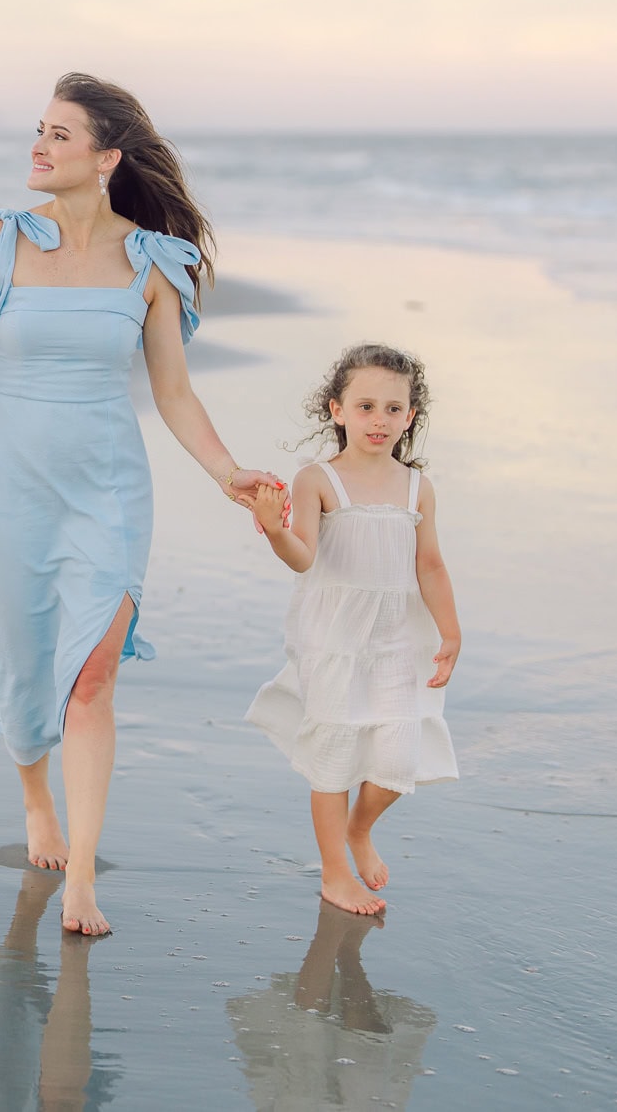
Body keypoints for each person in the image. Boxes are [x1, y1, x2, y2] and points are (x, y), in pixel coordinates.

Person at [0, 73, 278, 936]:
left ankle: (81, 874)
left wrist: (227, 472)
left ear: (107, 157)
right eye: (39, 130)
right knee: (23, 660)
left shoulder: (152, 262)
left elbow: (174, 393)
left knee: (92, 675)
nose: (38, 146)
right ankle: (34, 795)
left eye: (59, 134)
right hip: (6, 481)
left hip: (106, 488)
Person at [242, 343, 461, 915]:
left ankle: (359, 830)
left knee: (398, 760)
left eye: (393, 409)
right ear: (337, 410)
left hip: (395, 642)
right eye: (366, 407)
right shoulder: (317, 479)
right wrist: (274, 530)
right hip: (334, 641)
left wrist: (451, 633)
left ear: (410, 417)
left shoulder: (416, 487)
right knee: (334, 758)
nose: (379, 420)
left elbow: (430, 565)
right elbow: (303, 558)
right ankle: (335, 873)